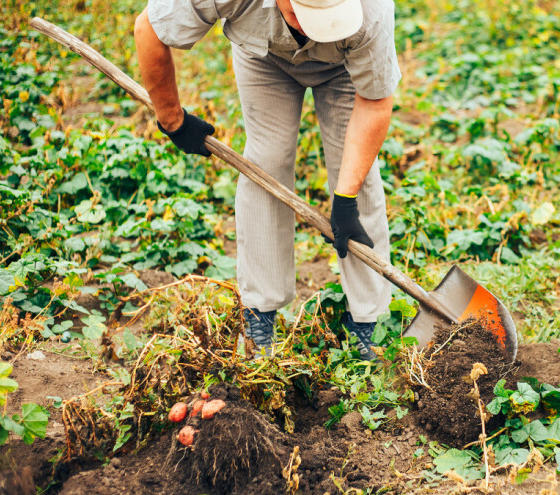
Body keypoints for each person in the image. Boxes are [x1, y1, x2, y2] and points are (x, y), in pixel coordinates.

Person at [134, 0, 400, 360]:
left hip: (344, 70)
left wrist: (346, 198)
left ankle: (369, 321)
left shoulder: (372, 11)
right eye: (306, 18)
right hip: (265, 58)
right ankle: (260, 313)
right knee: (266, 164)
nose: (312, 30)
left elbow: (376, 101)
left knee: (357, 176)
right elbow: (150, 28)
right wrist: (172, 119)